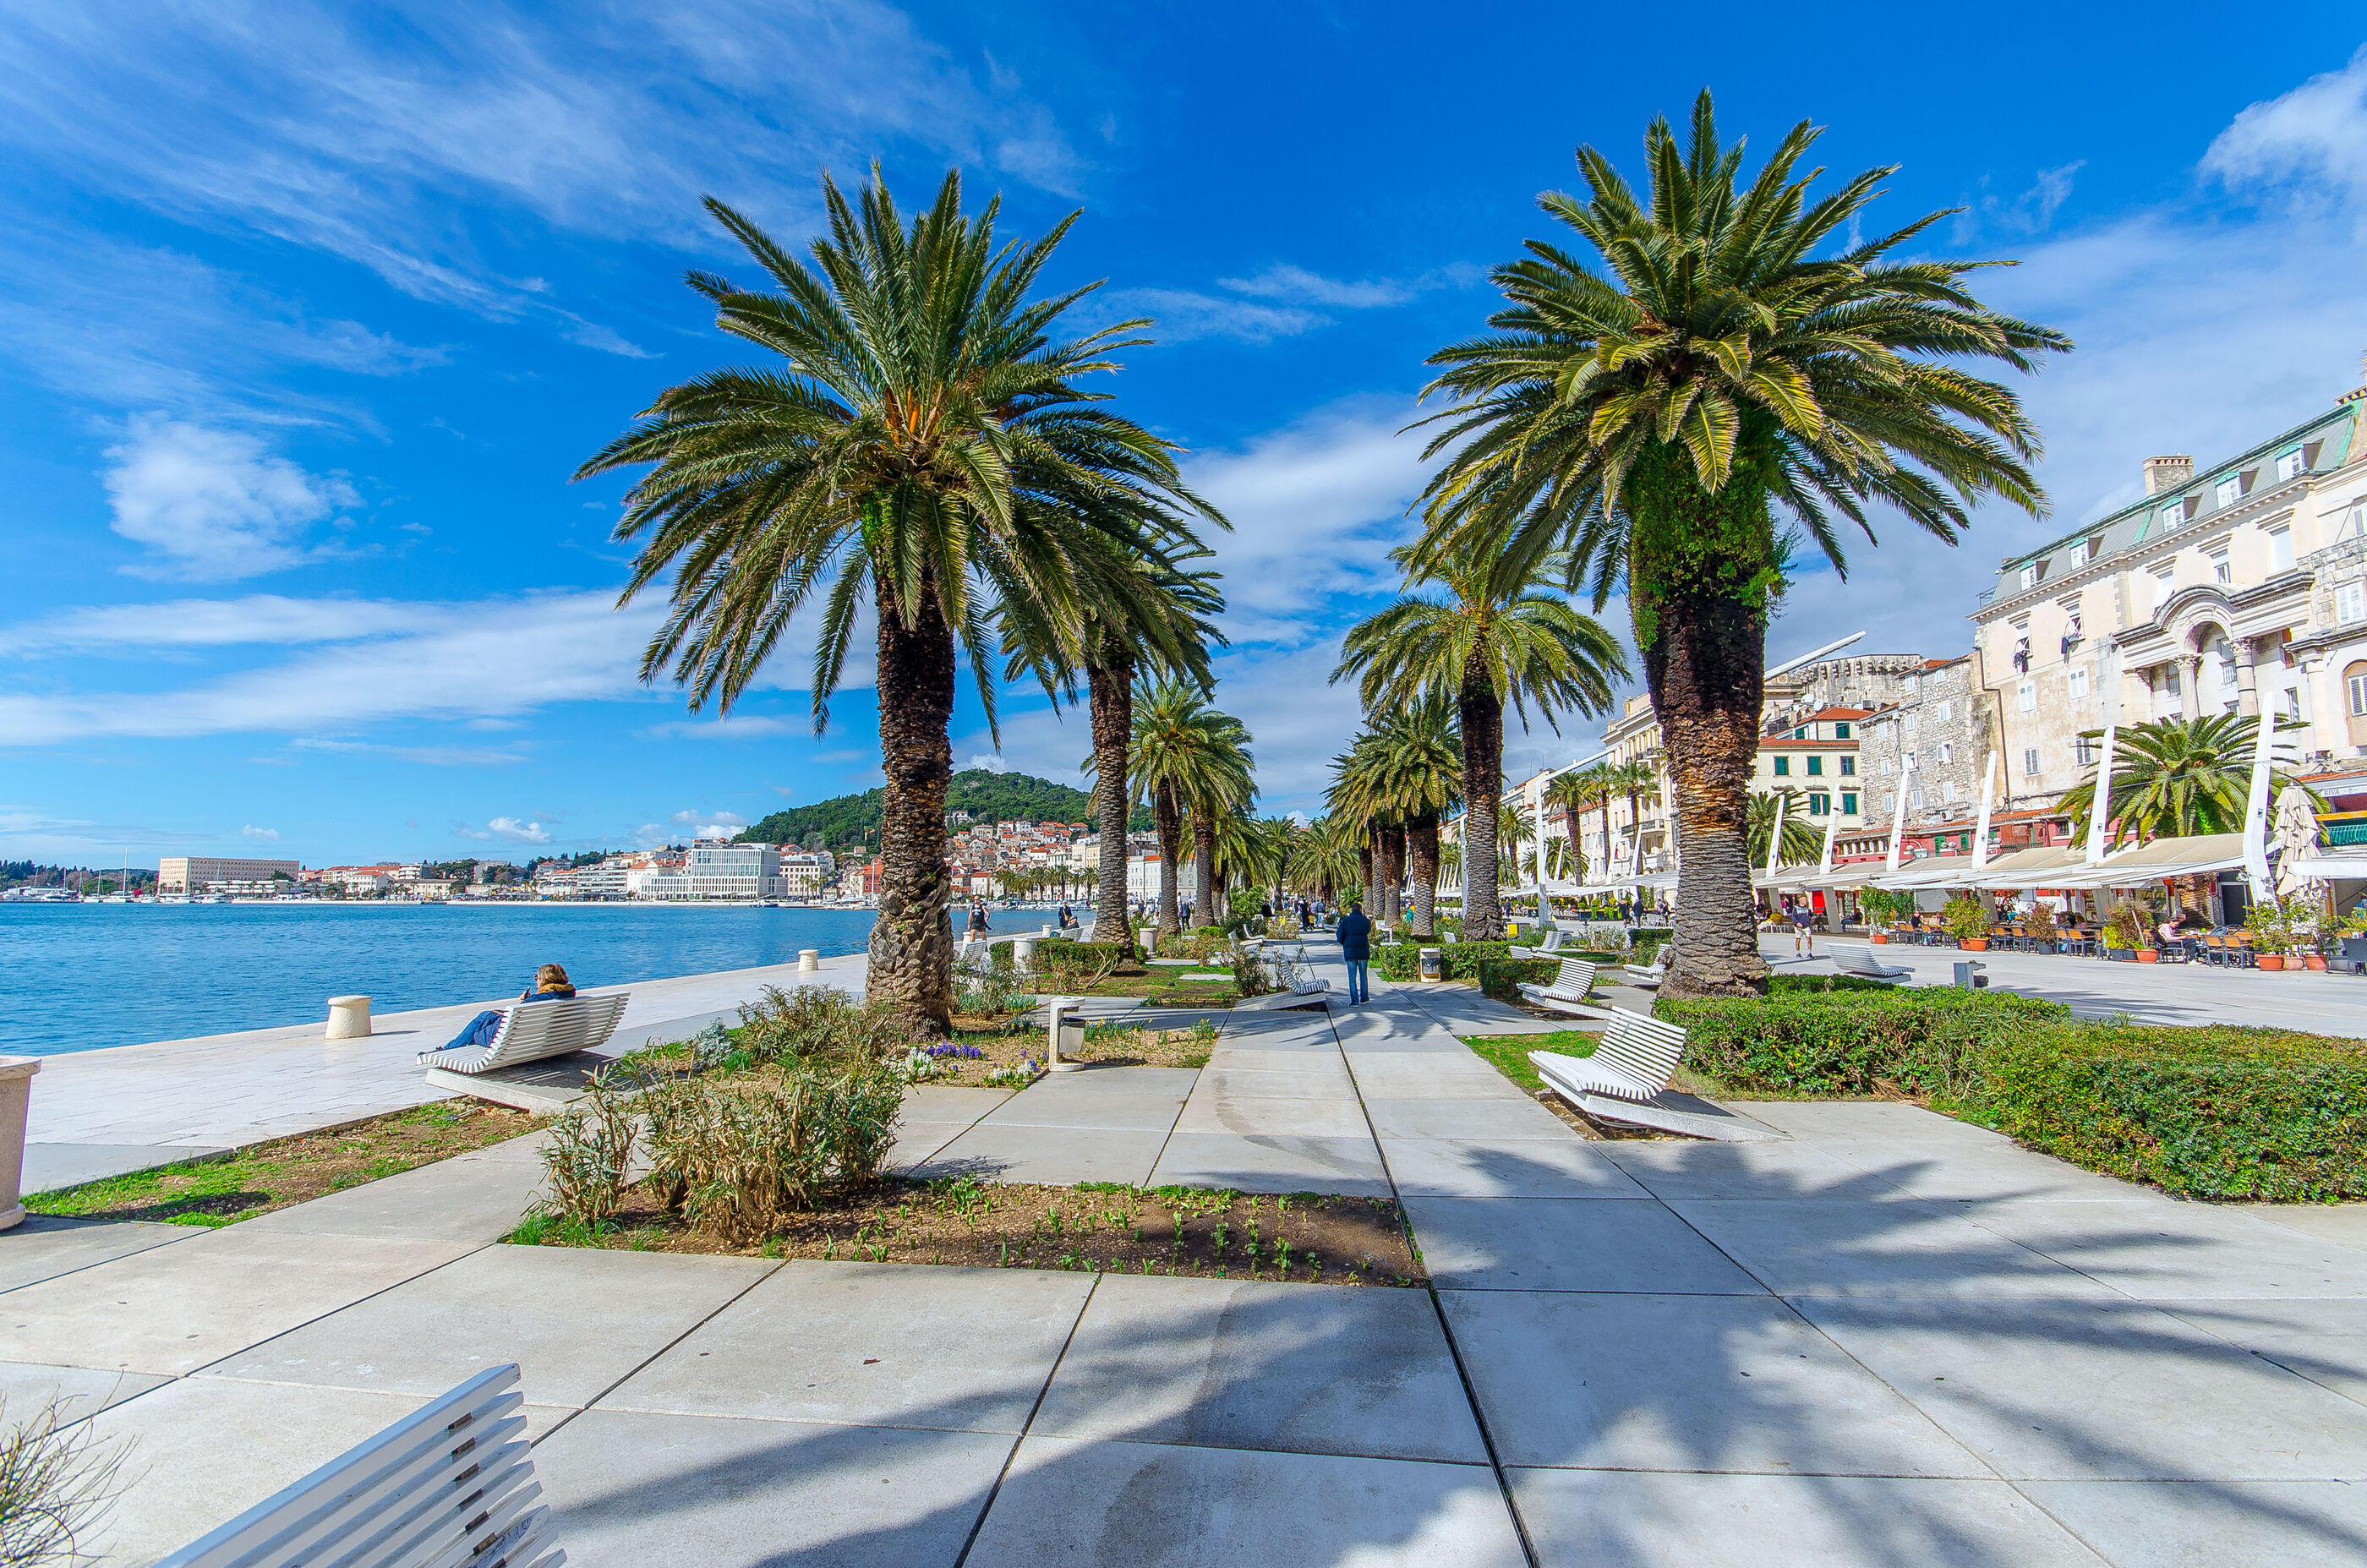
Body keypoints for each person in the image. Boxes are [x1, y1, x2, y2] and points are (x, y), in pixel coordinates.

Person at [439, 964, 577, 1052]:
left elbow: (519, 1019)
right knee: (487, 1015)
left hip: (516, 1042)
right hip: (551, 1038)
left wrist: (526, 1001)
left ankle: (447, 1049)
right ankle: (449, 1047)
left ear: (545, 979)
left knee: (478, 1026)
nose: (536, 980)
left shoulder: (538, 999)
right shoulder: (568, 994)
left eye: (537, 977)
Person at [1337, 898, 1373, 1005]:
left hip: (1350, 952)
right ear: (1360, 909)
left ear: (1352, 910)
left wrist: (1345, 943)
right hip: (1363, 952)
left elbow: (1339, 935)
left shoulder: (1345, 921)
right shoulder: (1366, 921)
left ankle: (1354, 1000)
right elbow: (1368, 930)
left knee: (1352, 977)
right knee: (1363, 975)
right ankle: (1364, 997)